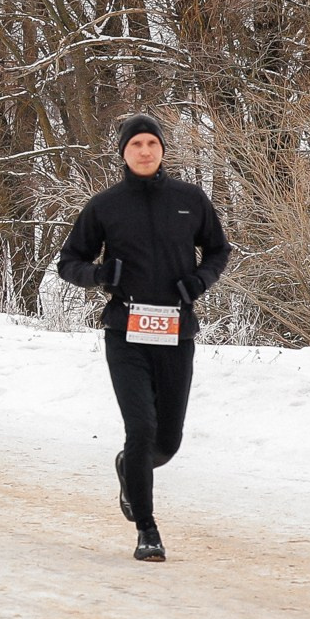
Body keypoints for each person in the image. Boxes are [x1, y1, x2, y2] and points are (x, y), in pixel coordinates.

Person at [57, 112, 233, 563]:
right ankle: (147, 530)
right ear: (123, 152)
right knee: (140, 429)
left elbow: (218, 249)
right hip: (126, 332)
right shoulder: (105, 206)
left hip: (176, 331)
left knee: (166, 442)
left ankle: (129, 469)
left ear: (162, 151)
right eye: (135, 144)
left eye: (151, 144)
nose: (144, 151)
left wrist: (199, 281)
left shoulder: (189, 200)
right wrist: (98, 274)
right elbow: (68, 261)